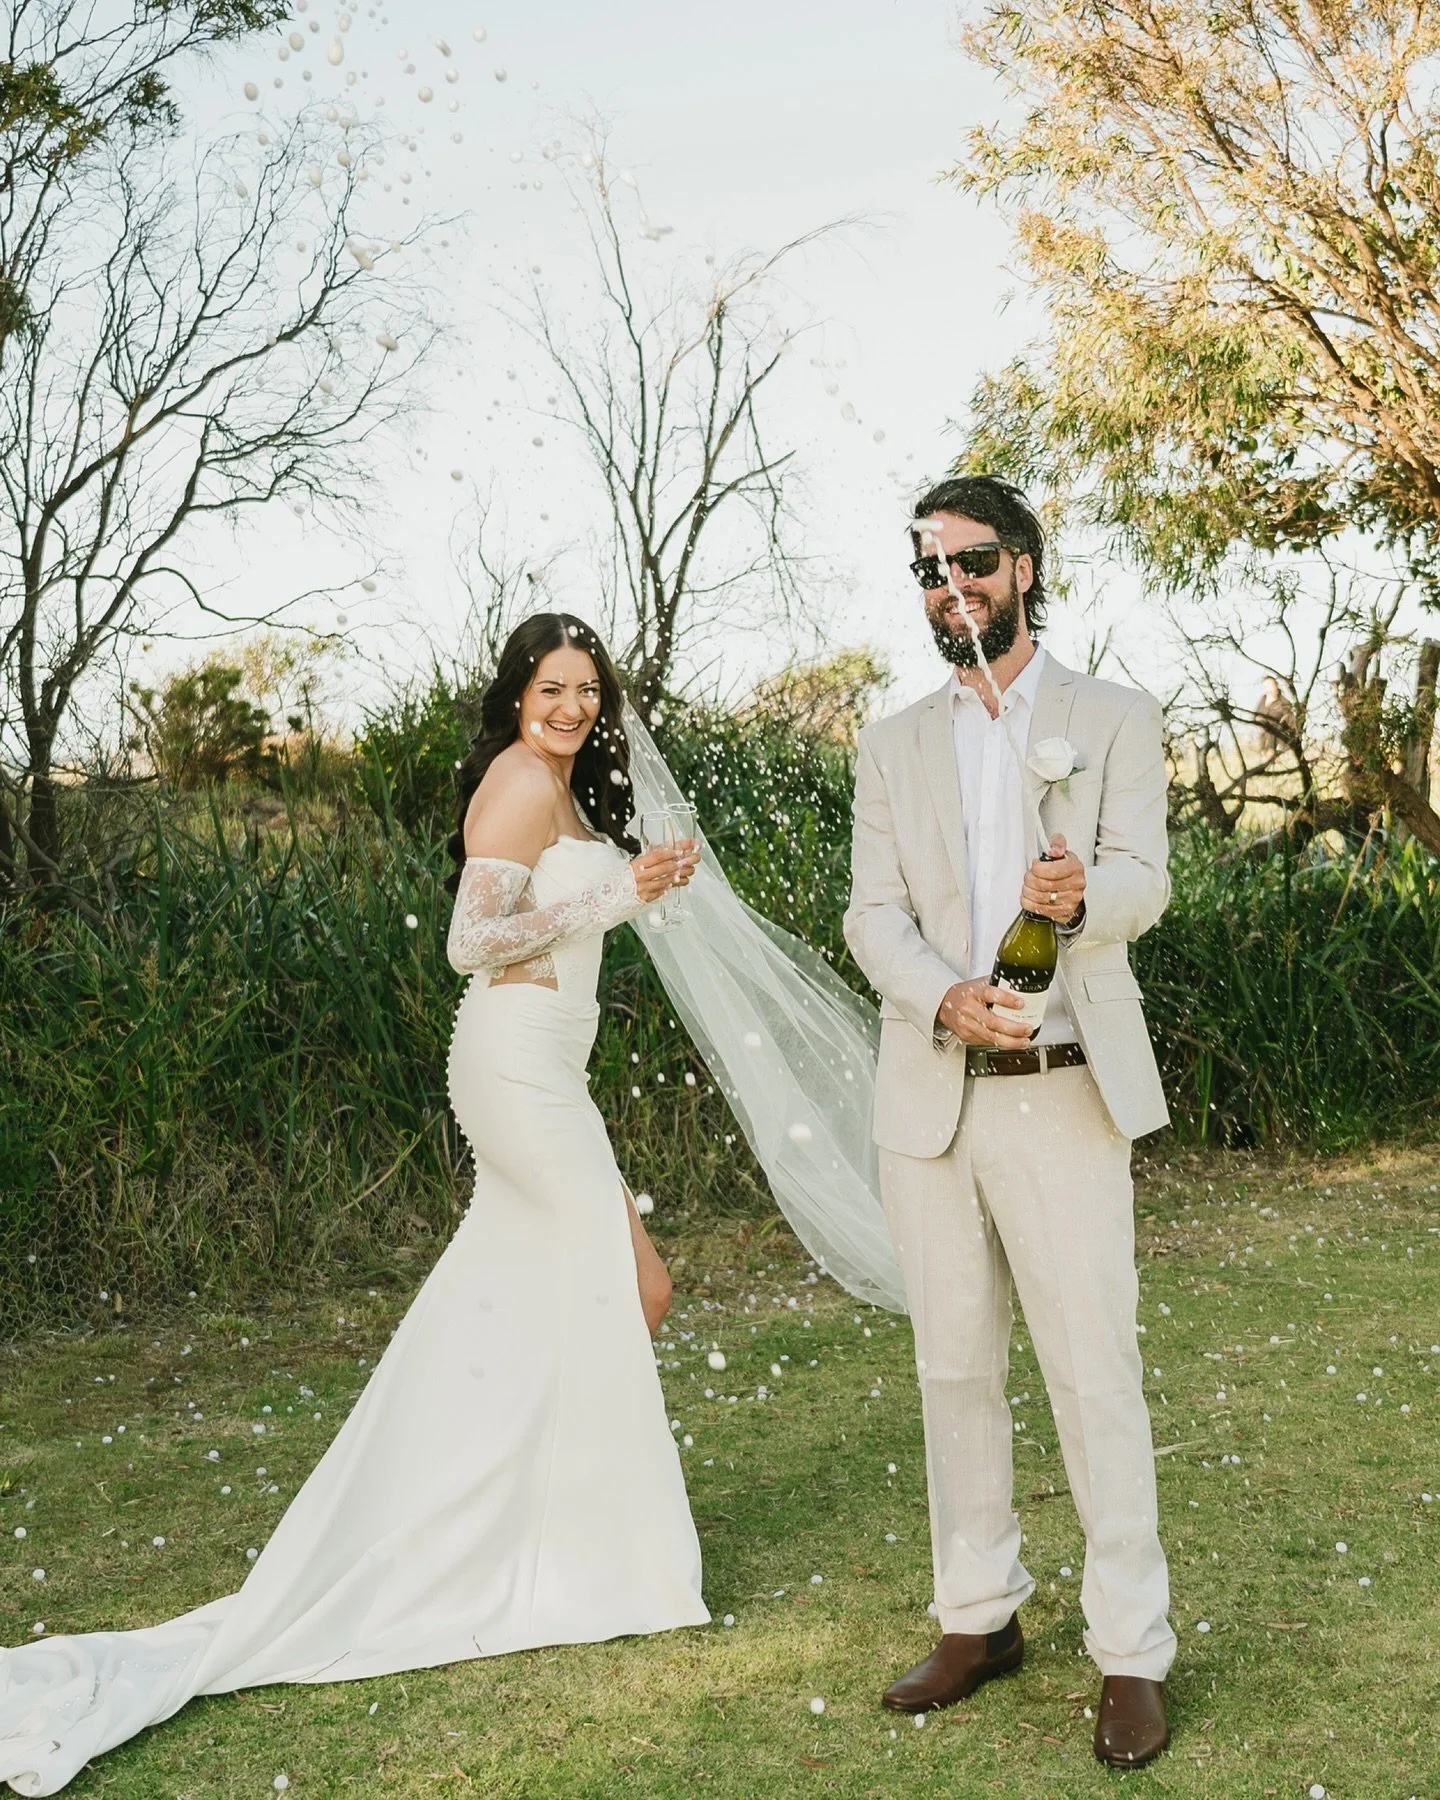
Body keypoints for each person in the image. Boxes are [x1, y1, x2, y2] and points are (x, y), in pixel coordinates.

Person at [0, 613, 707, 1797]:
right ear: (516, 695)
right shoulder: (518, 781)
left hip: (548, 1066)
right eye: (552, 686)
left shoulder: (565, 791)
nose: (574, 706)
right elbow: (468, 941)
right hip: (517, 1069)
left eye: (589, 689)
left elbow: (557, 920)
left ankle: (505, 1528)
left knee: (551, 1301)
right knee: (637, 1286)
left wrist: (636, 889)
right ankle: (547, 1542)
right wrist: (615, 896)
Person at [843, 476, 1176, 1769]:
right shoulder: (891, 741)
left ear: (1025, 567)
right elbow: (872, 916)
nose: (952, 590)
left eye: (973, 563)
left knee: (1094, 1372)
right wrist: (947, 995)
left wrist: (1083, 894)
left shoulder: (1114, 716)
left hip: (1069, 1092)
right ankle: (979, 1617)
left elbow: (1148, 878)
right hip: (933, 1096)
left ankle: (1131, 1650)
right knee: (954, 1371)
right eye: (929, 572)